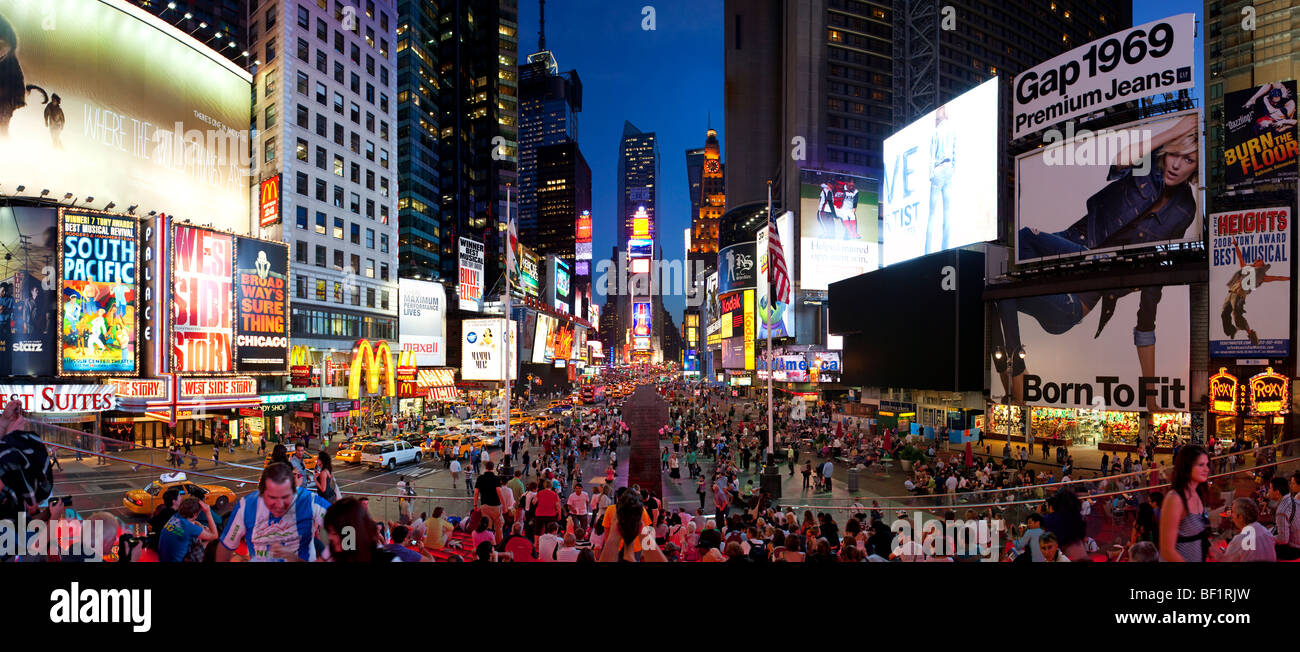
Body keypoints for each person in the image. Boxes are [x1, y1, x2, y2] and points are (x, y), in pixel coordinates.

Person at [998, 115, 1199, 410]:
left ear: (1197, 167)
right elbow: (1120, 160)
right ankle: (1017, 378)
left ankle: (1016, 368)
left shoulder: (1184, 211)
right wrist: (1174, 131)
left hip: (1072, 300)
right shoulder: (1145, 171)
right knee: (1001, 286)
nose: (1176, 165)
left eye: (1189, 159)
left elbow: (1149, 305)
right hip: (1067, 250)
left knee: (1025, 241)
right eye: (1173, 153)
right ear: (1164, 151)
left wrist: (1153, 399)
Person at [216, 462, 333, 562]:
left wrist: (324, 558)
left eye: (286, 497)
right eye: (272, 498)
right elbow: (226, 545)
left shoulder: (309, 501)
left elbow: (346, 527)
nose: (279, 505)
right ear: (261, 493)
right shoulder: (246, 506)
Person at [1159, 444, 1211, 562]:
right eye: (1201, 465)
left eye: (1207, 464)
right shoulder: (1175, 499)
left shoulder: (1197, 494)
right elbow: (1167, 551)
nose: (1206, 469)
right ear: (1187, 467)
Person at [322, 497, 397, 562]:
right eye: (329, 532)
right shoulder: (333, 550)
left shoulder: (386, 558)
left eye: (334, 533)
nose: (329, 537)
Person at [157, 497, 218, 562]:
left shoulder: (175, 517)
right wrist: (208, 512)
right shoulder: (189, 527)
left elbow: (191, 524)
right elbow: (214, 536)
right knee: (209, 543)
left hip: (163, 559)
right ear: (195, 514)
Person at [1219, 497, 1276, 562]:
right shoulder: (1267, 533)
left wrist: (1217, 553)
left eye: (1233, 512)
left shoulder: (1239, 540)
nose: (1231, 516)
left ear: (1240, 517)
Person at [474, 461, 505, 542]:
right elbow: (499, 492)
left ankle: (489, 544)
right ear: (493, 468)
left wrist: (475, 505)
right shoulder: (496, 478)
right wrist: (504, 505)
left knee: (488, 527)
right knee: (498, 527)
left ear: (486, 467)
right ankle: (498, 544)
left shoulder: (480, 478)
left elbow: (476, 493)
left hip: (484, 506)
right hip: (495, 506)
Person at [1272, 473, 1300, 560]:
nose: (1268, 491)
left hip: (1295, 550)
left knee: (1263, 547)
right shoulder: (1294, 500)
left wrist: (1267, 537)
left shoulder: (1282, 510)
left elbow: (1283, 539)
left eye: (1270, 488)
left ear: (1277, 493)